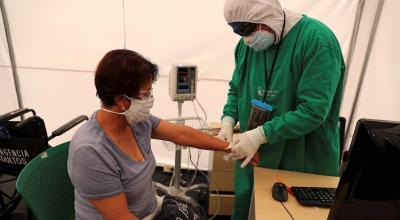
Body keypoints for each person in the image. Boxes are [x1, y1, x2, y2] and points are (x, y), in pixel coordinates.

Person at [67, 49, 237, 220]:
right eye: (145, 94)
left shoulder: (134, 121)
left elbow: (181, 134)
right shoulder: (90, 152)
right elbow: (120, 217)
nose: (150, 100)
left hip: (151, 209)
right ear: (121, 100)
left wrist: (229, 147)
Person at [218, 0, 346, 219]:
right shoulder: (246, 47)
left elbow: (313, 110)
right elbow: (236, 88)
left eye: (248, 30)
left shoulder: (316, 41)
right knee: (248, 210)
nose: (246, 39)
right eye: (239, 32)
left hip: (303, 158)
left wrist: (260, 133)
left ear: (268, 17)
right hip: (257, 156)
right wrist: (228, 117)